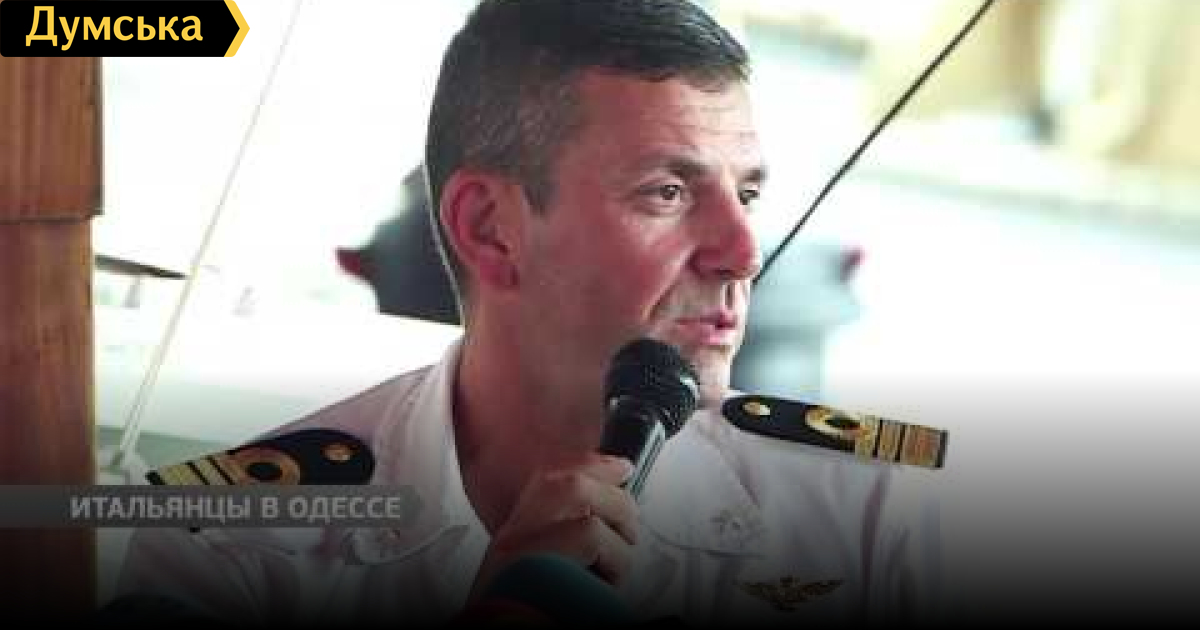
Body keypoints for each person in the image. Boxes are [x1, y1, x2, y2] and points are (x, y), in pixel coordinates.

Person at [116, 0, 947, 626]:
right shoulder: (227, 538)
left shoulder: (871, 513)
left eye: (749, 194)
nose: (742, 251)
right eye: (666, 192)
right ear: (490, 228)